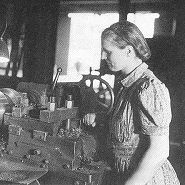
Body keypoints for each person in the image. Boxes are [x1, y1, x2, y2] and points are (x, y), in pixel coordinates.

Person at [84, 21, 180, 185]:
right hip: (125, 172)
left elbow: (159, 151)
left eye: (108, 52)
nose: (103, 56)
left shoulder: (149, 88)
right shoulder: (127, 85)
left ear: (128, 51)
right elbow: (128, 126)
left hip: (145, 179)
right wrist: (100, 118)